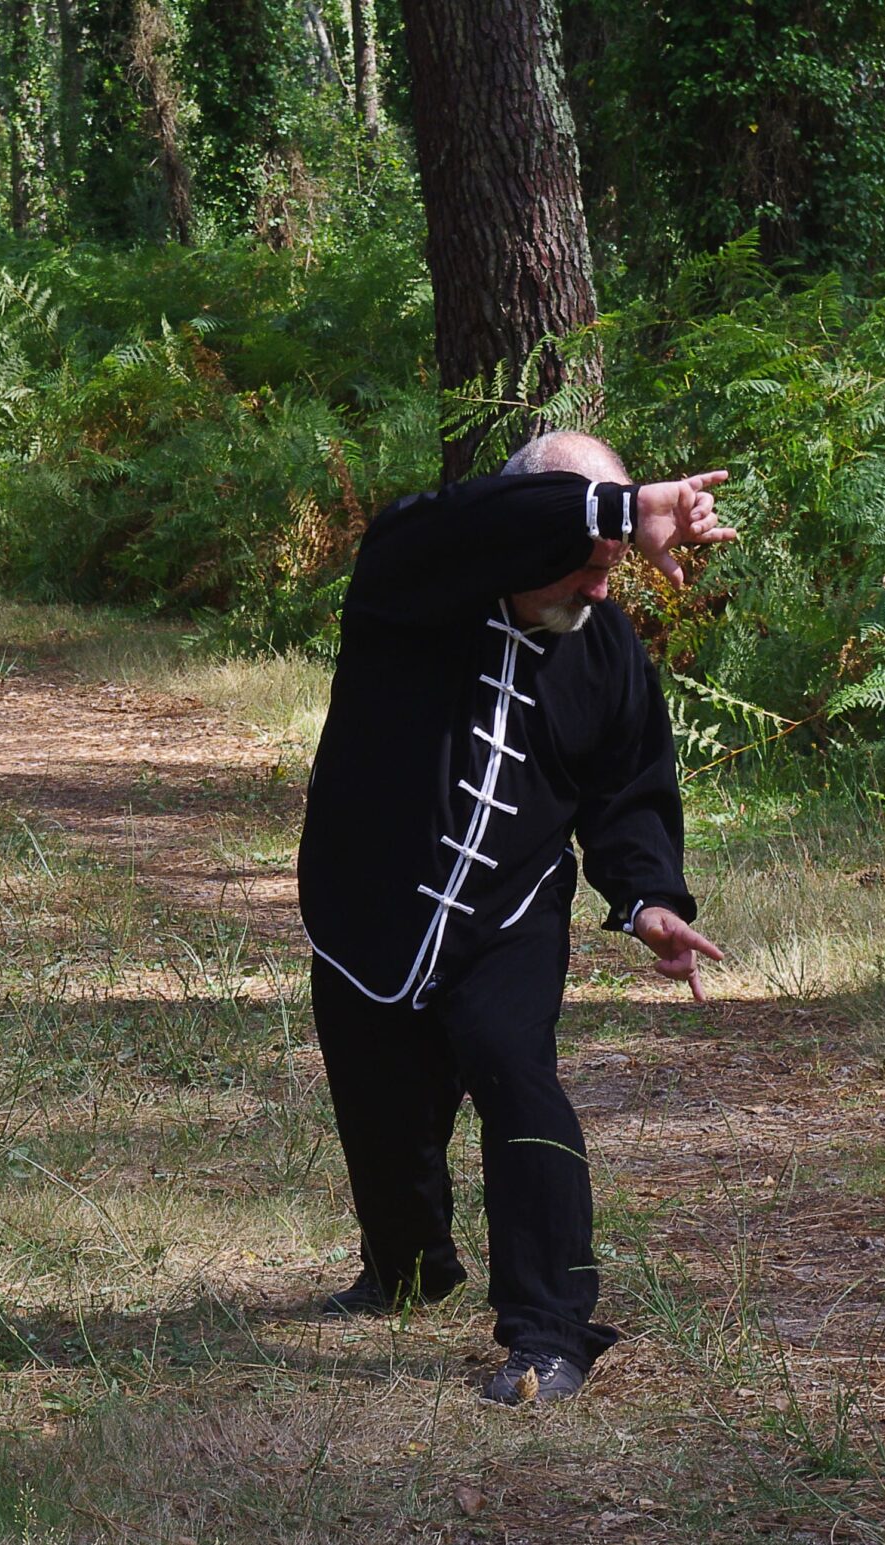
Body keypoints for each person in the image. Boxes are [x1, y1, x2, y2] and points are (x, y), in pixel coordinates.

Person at [298, 430, 731, 1407]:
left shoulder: (608, 647)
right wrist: (618, 511)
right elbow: (459, 523)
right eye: (579, 560)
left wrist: (650, 897)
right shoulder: (410, 578)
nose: (597, 589)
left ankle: (548, 1330)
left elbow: (627, 792)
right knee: (383, 1105)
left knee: (516, 1076)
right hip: (367, 897)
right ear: (520, 528)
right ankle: (408, 1269)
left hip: (509, 914)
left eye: (610, 566)